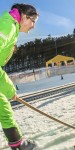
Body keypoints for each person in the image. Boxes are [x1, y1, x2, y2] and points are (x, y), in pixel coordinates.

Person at [0, 3, 39, 150]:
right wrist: (10, 90)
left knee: (3, 107)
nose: (33, 26)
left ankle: (17, 144)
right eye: (33, 20)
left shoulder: (11, 26)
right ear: (23, 16)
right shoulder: (7, 25)